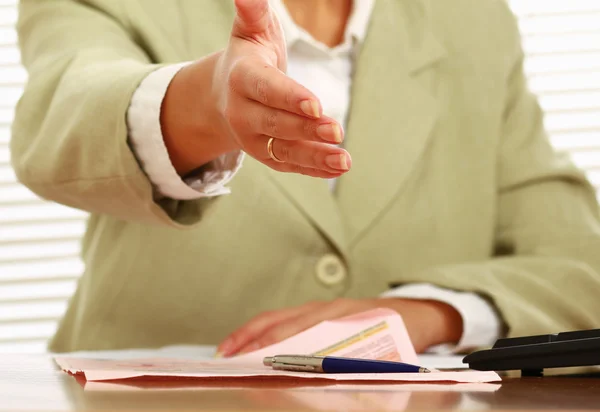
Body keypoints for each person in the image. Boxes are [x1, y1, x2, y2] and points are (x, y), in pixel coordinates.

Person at [11, 0, 600, 356]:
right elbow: (62, 115)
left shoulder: (472, 21)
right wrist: (205, 103)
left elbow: (579, 268)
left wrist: (427, 313)